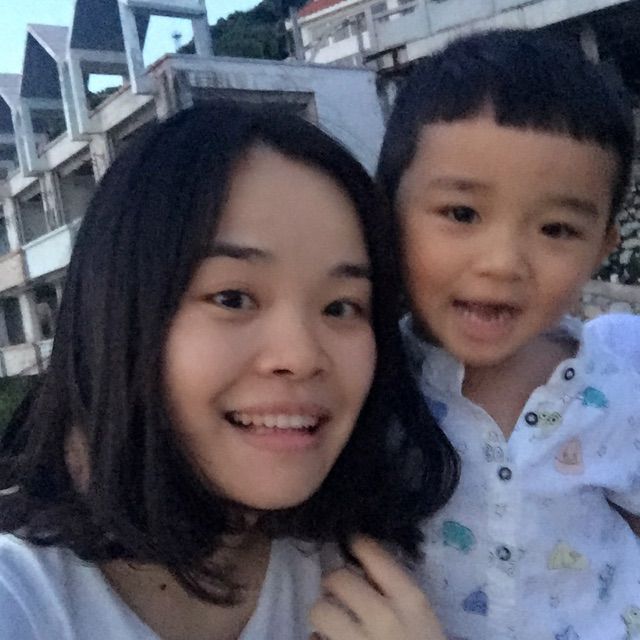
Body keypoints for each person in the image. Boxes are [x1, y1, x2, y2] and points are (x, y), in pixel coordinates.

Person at [0, 104, 458, 640]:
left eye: (341, 307)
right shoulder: (21, 599)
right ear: (118, 318)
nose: (301, 356)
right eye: (233, 298)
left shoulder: (371, 575)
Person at [376, 28, 640, 640]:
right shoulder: (370, 381)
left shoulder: (615, 385)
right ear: (387, 209)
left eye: (557, 229)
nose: (503, 264)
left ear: (602, 248)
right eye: (462, 214)